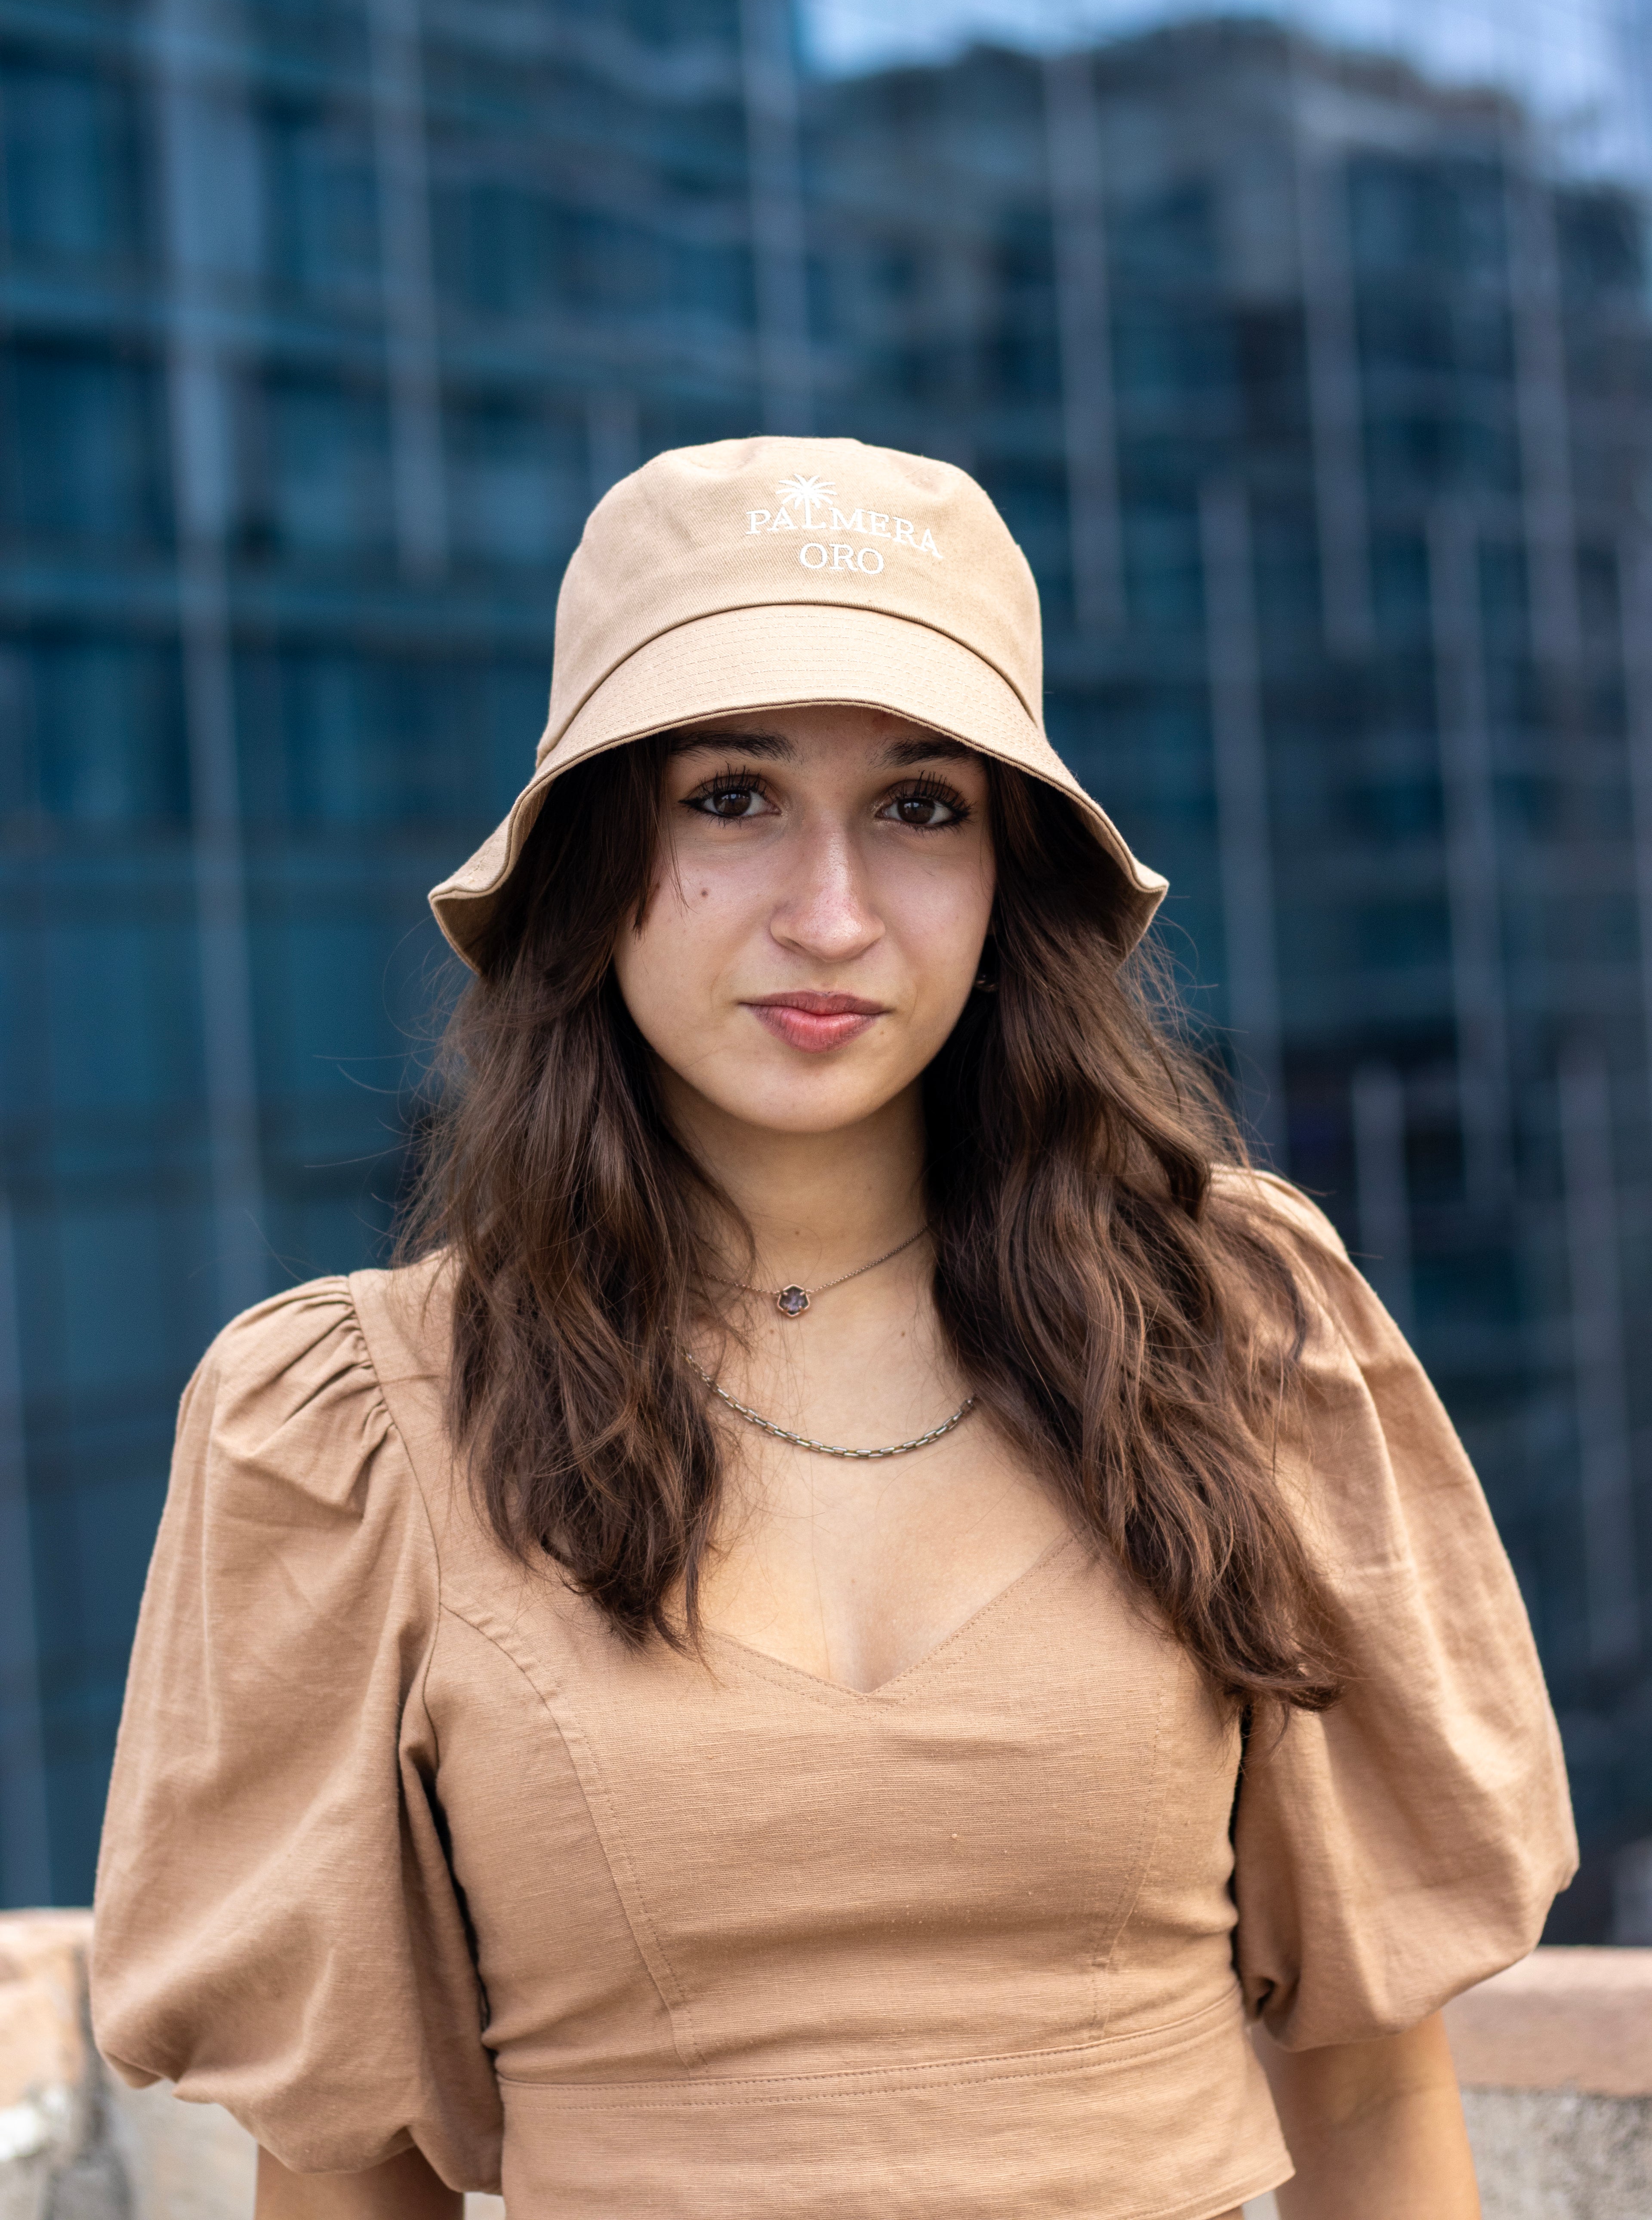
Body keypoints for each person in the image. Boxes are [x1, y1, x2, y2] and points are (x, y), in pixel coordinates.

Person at [92, 438, 1575, 2220]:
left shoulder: (1235, 1331)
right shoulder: (358, 1425)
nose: (831, 915)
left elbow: (1376, 2096)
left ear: (1009, 871)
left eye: (920, 806)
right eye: (731, 796)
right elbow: (346, 2180)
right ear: (594, 854)